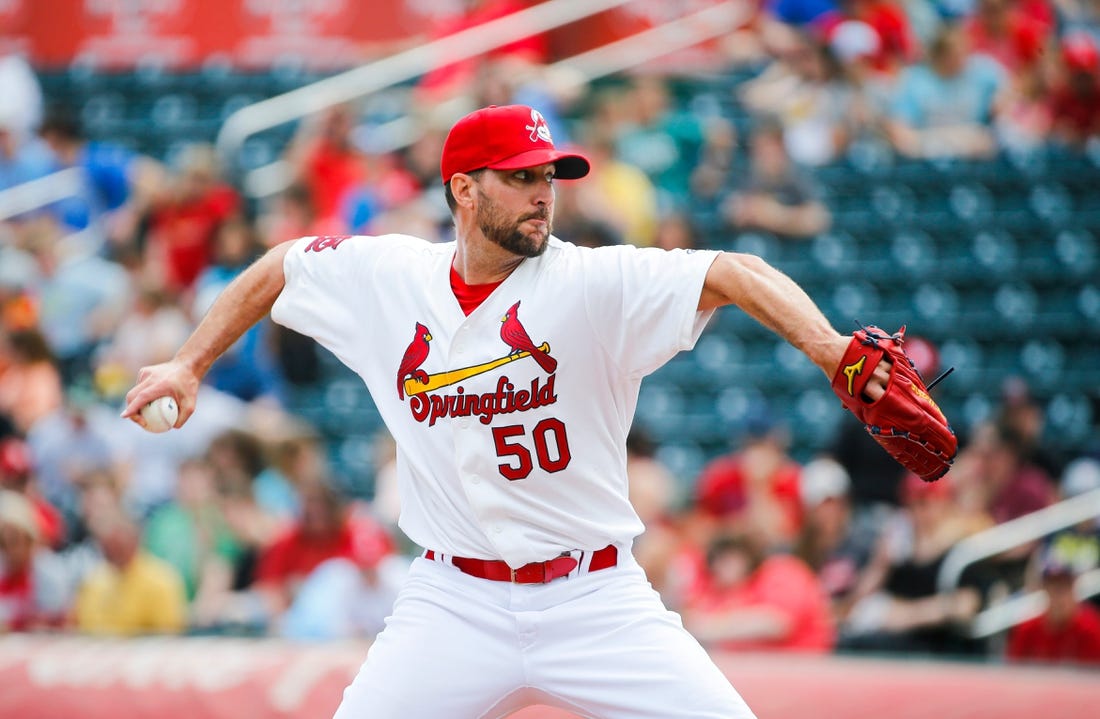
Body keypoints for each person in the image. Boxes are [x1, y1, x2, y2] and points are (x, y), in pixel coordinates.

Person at [123, 103, 897, 719]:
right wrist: (190, 362)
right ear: (463, 188)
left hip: (595, 596)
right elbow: (278, 266)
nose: (543, 192)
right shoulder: (389, 276)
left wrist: (832, 350)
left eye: (550, 176)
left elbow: (735, 271)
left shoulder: (592, 282)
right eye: (522, 176)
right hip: (454, 598)